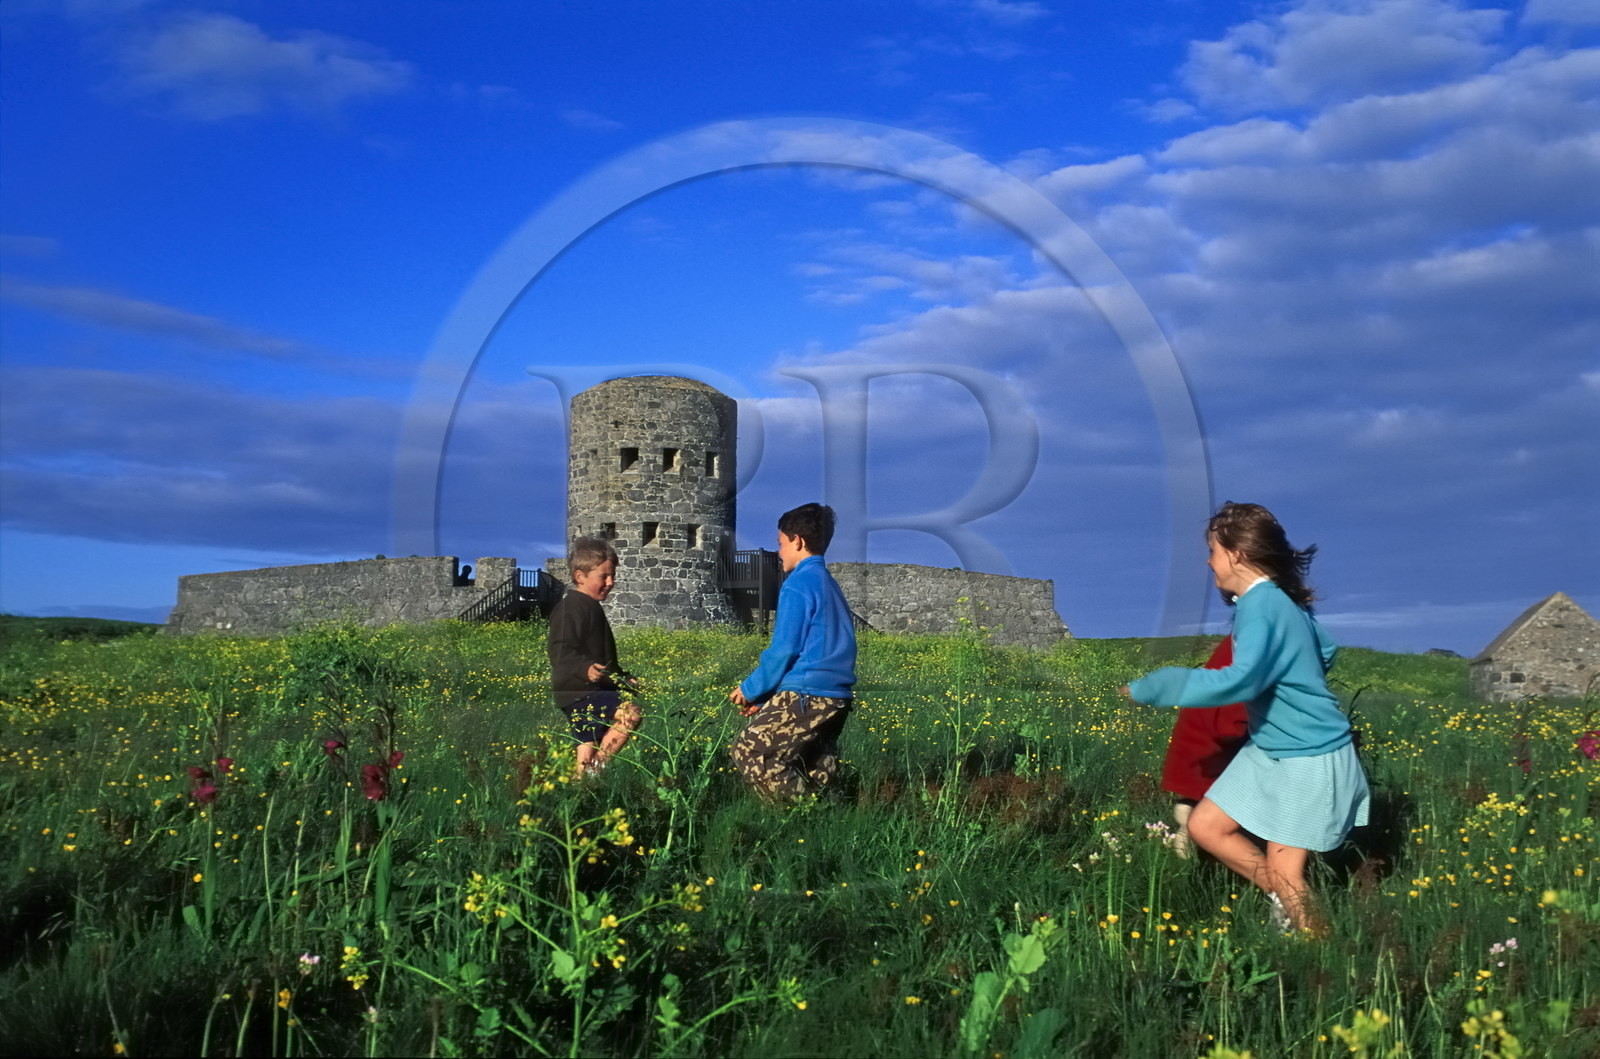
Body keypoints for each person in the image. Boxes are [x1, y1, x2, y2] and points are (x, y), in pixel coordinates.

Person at [1121, 502, 1368, 935]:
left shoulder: (1262, 604)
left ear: (1237, 554)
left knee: (1287, 873)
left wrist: (1157, 686)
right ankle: (1286, 902)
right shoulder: (1280, 602)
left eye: (1213, 551)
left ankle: (1322, 948)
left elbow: (1241, 680)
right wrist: (1294, 678)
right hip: (1272, 747)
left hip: (1307, 754)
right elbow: (1326, 648)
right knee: (1205, 826)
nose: (1208, 562)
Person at [729, 503, 857, 801]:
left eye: (780, 543)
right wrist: (768, 698)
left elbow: (785, 649)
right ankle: (829, 816)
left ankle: (796, 815)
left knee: (752, 751)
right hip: (836, 695)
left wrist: (750, 688)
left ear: (797, 541)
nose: (779, 552)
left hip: (807, 694)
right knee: (814, 766)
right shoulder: (829, 585)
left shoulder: (798, 584)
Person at [547, 537, 641, 775]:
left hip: (581, 690)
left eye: (613, 576)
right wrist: (584, 668)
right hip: (579, 689)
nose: (611, 582)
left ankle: (580, 785)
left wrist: (621, 677)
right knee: (630, 716)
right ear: (580, 577)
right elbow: (560, 649)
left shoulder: (590, 606)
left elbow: (603, 656)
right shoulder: (570, 608)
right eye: (604, 576)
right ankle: (596, 771)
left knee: (587, 745)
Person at [1160, 636, 1249, 858]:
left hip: (1204, 739)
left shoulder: (1243, 639)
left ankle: (1191, 860)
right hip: (1215, 742)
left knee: (1194, 807)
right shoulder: (1258, 640)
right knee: (1202, 813)